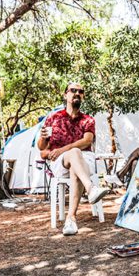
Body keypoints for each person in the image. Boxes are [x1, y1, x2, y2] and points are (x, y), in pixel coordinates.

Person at [37, 83, 110, 235]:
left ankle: (71, 219)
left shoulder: (88, 120)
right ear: (65, 95)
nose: (77, 93)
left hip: (85, 159)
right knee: (74, 153)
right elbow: (42, 148)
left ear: (83, 96)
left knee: (75, 159)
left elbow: (87, 141)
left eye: (80, 91)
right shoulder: (53, 118)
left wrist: (63, 149)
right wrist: (44, 138)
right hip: (60, 162)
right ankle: (91, 190)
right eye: (73, 90)